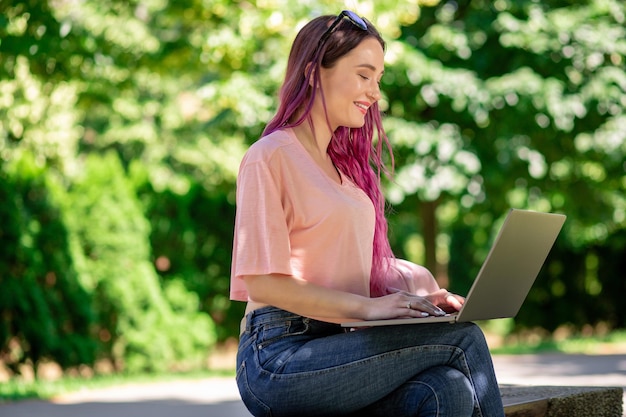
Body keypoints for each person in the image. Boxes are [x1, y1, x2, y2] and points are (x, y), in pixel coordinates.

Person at [230, 10, 505, 417]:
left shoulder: (344, 174)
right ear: (313, 73)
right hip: (279, 356)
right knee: (463, 339)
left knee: (446, 390)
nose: (375, 92)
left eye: (378, 79)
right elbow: (263, 283)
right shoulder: (269, 157)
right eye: (363, 75)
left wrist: (424, 298)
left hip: (341, 344)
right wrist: (371, 309)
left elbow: (352, 267)